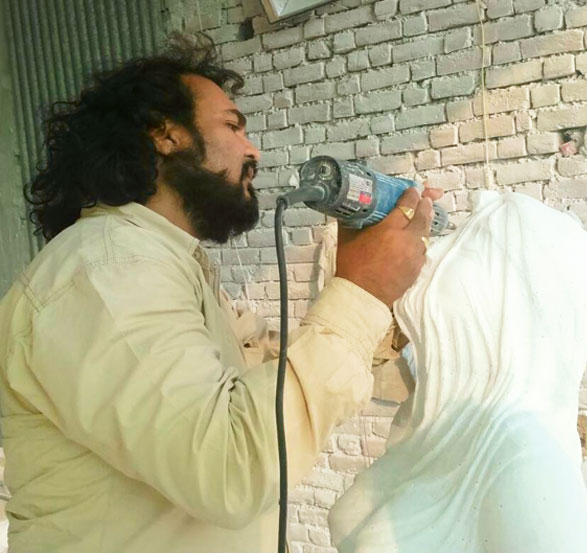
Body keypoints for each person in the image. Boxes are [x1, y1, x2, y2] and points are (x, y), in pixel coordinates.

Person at [0, 35, 440, 553]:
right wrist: (361, 289)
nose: (253, 150)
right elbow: (229, 469)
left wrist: (377, 304)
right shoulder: (103, 271)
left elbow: (260, 374)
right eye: (233, 126)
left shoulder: (161, 262)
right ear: (166, 135)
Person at [328, 191, 587, 553]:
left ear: (513, 302)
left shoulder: (528, 465)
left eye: (469, 241)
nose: (435, 252)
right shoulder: (431, 425)